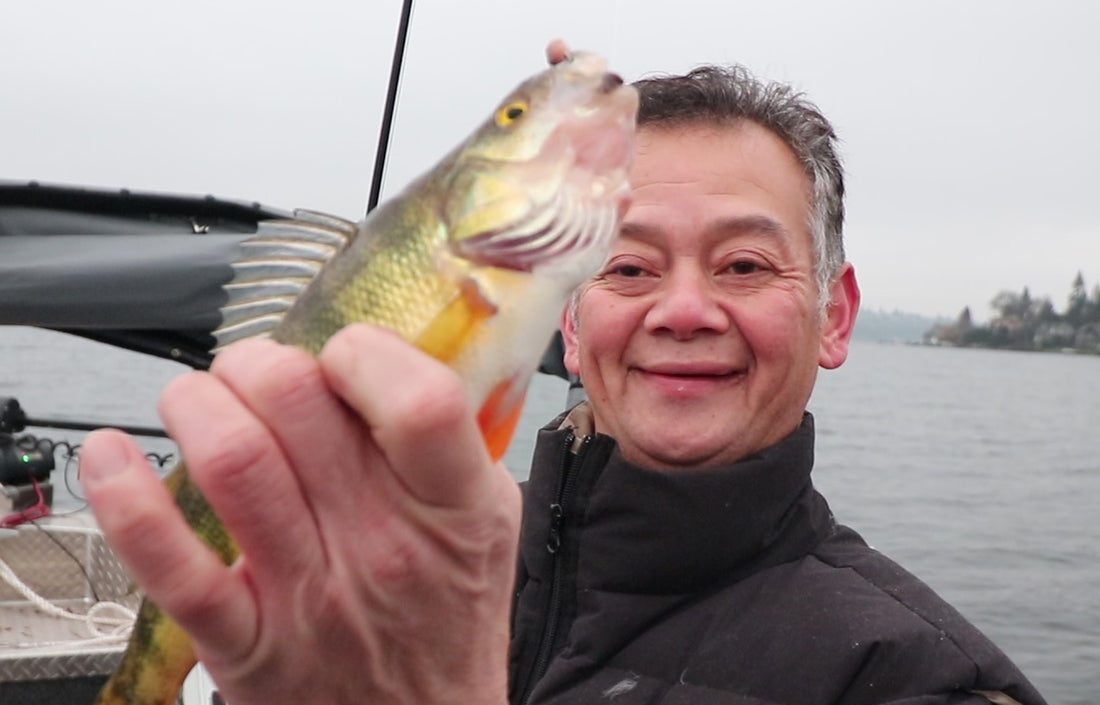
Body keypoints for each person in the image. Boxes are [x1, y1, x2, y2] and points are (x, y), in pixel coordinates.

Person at [80, 42, 1047, 705]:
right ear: (569, 327)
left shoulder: (918, 675)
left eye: (745, 264)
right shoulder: (375, 584)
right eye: (625, 266)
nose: (681, 308)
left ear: (834, 315)